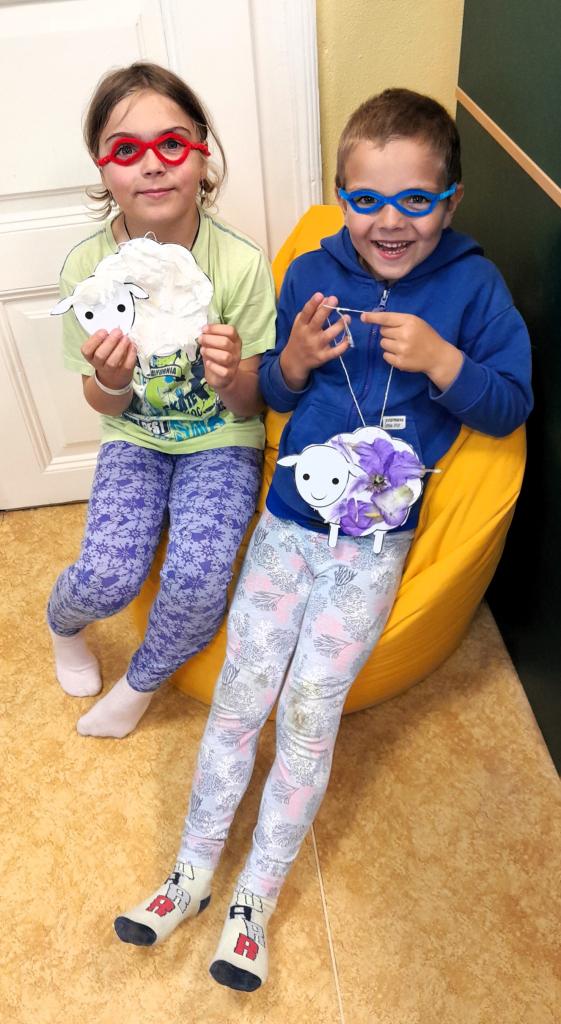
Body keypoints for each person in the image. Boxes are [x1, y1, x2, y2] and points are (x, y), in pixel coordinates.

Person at [112, 89, 533, 989]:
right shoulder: (309, 271)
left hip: (371, 547)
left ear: (451, 200)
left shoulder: (474, 288)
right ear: (341, 196)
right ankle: (189, 873)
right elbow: (270, 390)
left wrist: (443, 362)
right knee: (239, 699)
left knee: (308, 712)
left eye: (415, 199)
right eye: (365, 198)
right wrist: (294, 361)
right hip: (288, 525)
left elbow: (508, 405)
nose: (389, 221)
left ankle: (253, 903)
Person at [47, 62, 276, 738]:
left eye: (171, 144)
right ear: (103, 169)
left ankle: (140, 684)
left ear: (202, 155)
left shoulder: (239, 264)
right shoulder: (88, 273)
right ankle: (62, 625)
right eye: (126, 150)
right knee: (107, 576)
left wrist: (229, 374)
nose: (151, 165)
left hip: (220, 438)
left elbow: (250, 405)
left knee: (198, 582)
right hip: (136, 437)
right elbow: (105, 405)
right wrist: (113, 378)